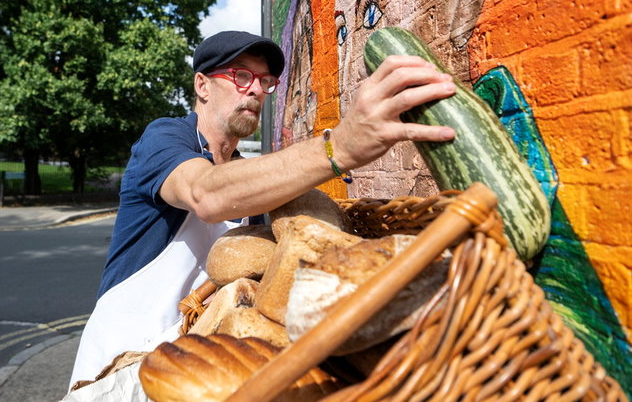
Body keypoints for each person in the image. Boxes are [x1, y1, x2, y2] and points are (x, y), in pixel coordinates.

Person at [68, 29, 455, 387]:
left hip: (201, 368)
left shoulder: (249, 179)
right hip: (121, 366)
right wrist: (340, 146)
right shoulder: (166, 138)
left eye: (265, 81)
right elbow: (205, 194)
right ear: (202, 85)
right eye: (241, 76)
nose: (255, 90)